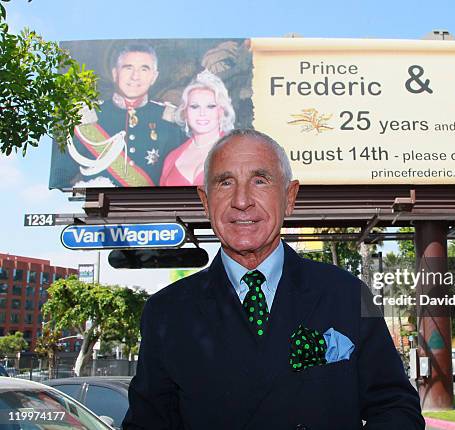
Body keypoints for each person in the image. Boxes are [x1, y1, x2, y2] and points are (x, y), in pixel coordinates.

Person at [123, 129, 425, 430]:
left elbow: (396, 407)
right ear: (205, 200)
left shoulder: (347, 294)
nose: (242, 200)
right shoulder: (167, 312)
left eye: (260, 180)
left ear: (289, 197)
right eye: (225, 182)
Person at [49, 44, 183, 188]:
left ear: (154, 76)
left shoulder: (169, 120)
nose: (135, 76)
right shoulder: (89, 117)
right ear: (115, 73)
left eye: (144, 69)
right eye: (128, 68)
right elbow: (58, 179)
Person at [159, 70, 235, 186]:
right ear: (185, 112)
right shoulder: (171, 158)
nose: (202, 113)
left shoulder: (238, 151)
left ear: (221, 111)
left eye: (210, 106)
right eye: (195, 106)